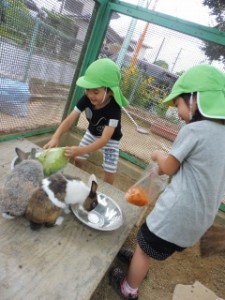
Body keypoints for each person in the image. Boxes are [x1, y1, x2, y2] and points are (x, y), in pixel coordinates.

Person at [109, 64, 225, 300]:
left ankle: (129, 288)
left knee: (145, 243)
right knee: (155, 244)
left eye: (178, 104)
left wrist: (156, 155)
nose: (177, 112)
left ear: (195, 99)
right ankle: (139, 263)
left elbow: (168, 167)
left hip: (176, 213)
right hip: (200, 220)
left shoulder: (194, 130)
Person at [43, 58, 128, 185]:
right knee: (78, 158)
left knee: (110, 169)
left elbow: (104, 140)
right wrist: (56, 137)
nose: (90, 95)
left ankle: (106, 190)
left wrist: (80, 150)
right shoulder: (86, 99)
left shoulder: (114, 110)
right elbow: (69, 120)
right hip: (92, 133)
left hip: (111, 140)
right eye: (88, 89)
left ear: (109, 92)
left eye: (96, 91)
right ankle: (78, 179)